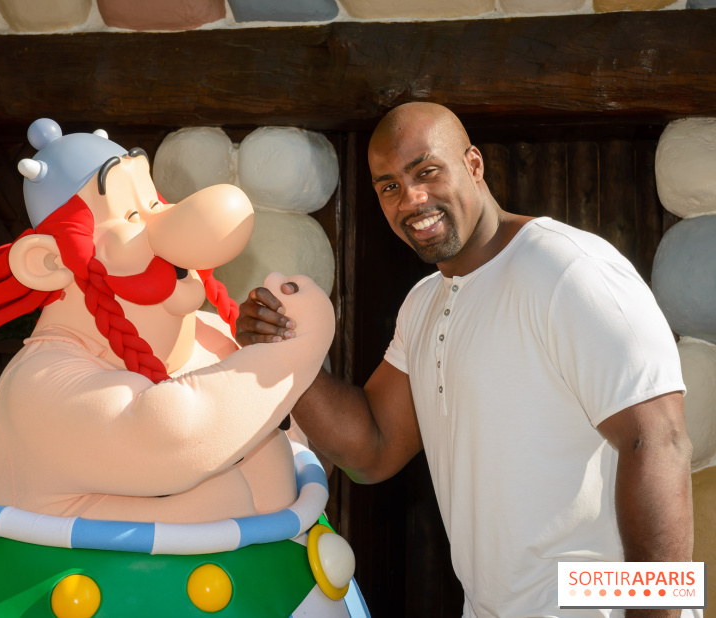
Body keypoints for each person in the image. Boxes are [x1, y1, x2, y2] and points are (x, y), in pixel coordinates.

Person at [235, 102, 695, 618]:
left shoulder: (568, 269)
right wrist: (285, 353)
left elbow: (657, 439)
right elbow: (372, 451)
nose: (412, 198)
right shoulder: (424, 302)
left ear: (473, 164)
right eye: (389, 187)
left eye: (426, 171)